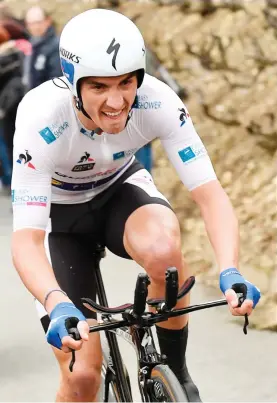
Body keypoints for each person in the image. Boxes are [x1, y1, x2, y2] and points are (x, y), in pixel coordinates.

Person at [11, 9, 261, 403]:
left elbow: (210, 194)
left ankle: (175, 370)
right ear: (72, 82)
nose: (116, 101)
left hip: (118, 192)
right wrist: (55, 302)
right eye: (98, 87)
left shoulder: (157, 101)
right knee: (82, 379)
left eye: (127, 82)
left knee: (166, 254)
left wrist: (230, 268)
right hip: (57, 221)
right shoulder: (41, 117)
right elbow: (25, 239)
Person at [23, 6, 62, 92]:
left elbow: (56, 79)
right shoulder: (32, 44)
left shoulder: (56, 46)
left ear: (48, 21)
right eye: (31, 23)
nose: (36, 27)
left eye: (38, 22)